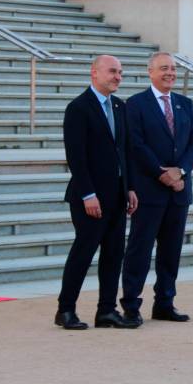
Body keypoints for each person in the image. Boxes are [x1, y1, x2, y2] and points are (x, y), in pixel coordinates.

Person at [56, 55, 138, 330]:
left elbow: (125, 152)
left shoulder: (119, 106)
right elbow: (75, 156)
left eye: (121, 72)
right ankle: (65, 309)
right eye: (113, 71)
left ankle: (107, 310)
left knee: (114, 254)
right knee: (83, 251)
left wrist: (130, 188)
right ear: (94, 73)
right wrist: (87, 194)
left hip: (117, 194)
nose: (118, 77)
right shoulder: (78, 108)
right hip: (89, 196)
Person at [121, 52, 193, 326]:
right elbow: (136, 144)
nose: (170, 73)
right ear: (150, 72)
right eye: (164, 68)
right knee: (139, 251)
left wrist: (180, 171)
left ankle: (165, 302)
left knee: (171, 252)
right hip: (149, 190)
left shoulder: (185, 104)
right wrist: (161, 173)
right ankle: (131, 305)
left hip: (179, 190)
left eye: (173, 68)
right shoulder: (135, 104)